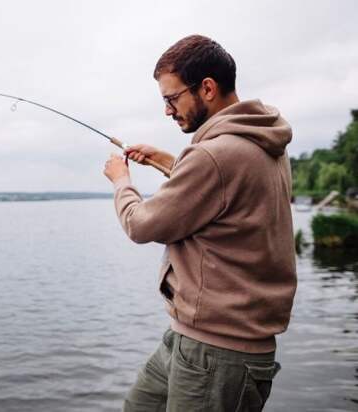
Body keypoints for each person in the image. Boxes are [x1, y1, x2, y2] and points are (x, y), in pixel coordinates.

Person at [103, 35, 297, 411]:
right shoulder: (262, 139)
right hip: (191, 340)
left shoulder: (214, 155)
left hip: (219, 352)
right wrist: (169, 163)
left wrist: (121, 181)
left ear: (207, 87)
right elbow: (225, 198)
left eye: (171, 98)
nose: (167, 111)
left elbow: (141, 225)